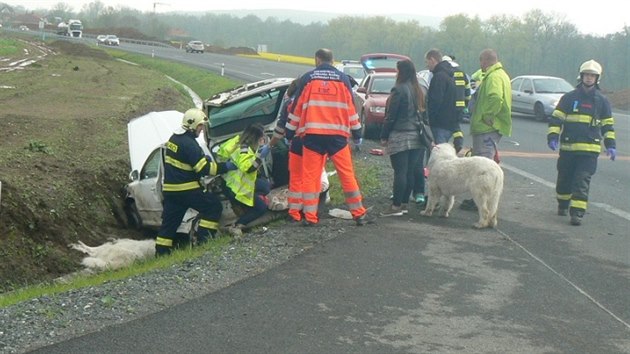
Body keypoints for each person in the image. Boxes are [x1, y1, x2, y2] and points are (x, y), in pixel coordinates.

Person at [286, 48, 372, 226]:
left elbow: (297, 108)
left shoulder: (308, 78)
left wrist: (289, 132)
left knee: (311, 177)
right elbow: (351, 109)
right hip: (337, 137)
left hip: (312, 136)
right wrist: (357, 133)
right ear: (332, 61)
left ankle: (310, 217)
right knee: (347, 175)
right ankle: (358, 213)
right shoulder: (343, 80)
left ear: (317, 59)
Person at [155, 108, 236, 256]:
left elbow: (184, 162)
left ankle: (161, 254)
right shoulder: (190, 144)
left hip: (171, 191)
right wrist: (226, 166)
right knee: (213, 207)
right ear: (192, 126)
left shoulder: (174, 139)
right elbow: (204, 169)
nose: (202, 129)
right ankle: (203, 242)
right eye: (200, 126)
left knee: (169, 225)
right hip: (187, 189)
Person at [547, 59, 616, 226]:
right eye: (587, 75)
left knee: (582, 180)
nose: (589, 78)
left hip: (589, 151)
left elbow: (607, 125)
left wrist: (611, 145)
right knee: (564, 178)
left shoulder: (602, 101)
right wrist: (553, 136)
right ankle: (563, 203)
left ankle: (577, 213)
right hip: (568, 149)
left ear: (597, 78)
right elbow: (556, 119)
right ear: (581, 76)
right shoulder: (569, 98)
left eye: (592, 76)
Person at [270, 79, 331, 222]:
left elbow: (280, 129)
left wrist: (269, 145)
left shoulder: (290, 104)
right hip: (317, 144)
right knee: (313, 178)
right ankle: (311, 212)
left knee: (296, 178)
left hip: (297, 144)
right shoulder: (316, 103)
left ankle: (294, 212)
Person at [460, 48, 511, 211]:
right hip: (490, 127)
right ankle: (479, 198)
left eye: (481, 61)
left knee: (483, 166)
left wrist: (488, 115)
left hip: (486, 127)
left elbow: (496, 97)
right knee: (484, 162)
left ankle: (481, 201)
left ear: (486, 61)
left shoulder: (494, 77)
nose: (480, 64)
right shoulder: (500, 74)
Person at [379, 59, 427, 216]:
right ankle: (405, 204)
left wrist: (384, 136)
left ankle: (395, 206)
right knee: (410, 172)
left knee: (400, 172)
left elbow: (391, 116)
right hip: (417, 136)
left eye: (397, 70)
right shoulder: (418, 89)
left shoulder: (398, 89)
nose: (396, 73)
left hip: (400, 134)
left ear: (402, 71)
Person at [217, 123, 273, 238]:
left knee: (265, 186)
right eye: (261, 138)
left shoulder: (236, 141)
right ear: (255, 137)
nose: (262, 140)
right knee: (261, 207)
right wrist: (260, 155)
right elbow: (248, 168)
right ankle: (236, 226)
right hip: (237, 188)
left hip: (227, 182)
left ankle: (245, 205)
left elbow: (220, 154)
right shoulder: (244, 149)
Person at [424, 49, 463, 153]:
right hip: (448, 123)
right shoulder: (448, 75)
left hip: (439, 125)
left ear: (432, 60)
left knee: (438, 156)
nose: (427, 66)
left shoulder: (439, 77)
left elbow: (435, 102)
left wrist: (428, 119)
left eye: (427, 62)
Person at [444, 55, 472, 125]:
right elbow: (468, 93)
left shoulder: (443, 74)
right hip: (461, 108)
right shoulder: (462, 74)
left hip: (448, 108)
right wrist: (466, 106)